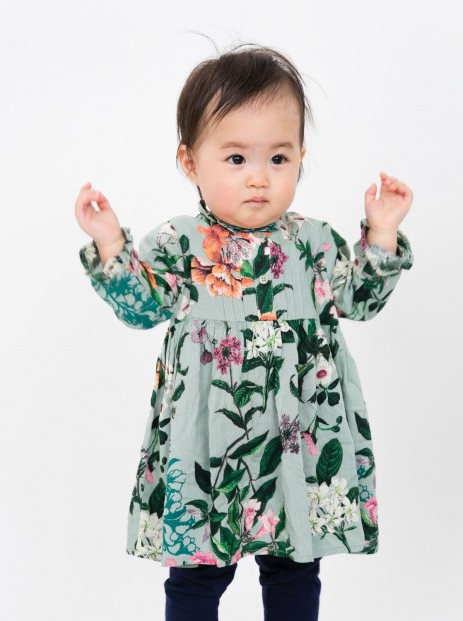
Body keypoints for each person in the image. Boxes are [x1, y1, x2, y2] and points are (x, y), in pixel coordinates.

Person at [75, 42, 414, 621]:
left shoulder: (312, 243)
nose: (259, 178)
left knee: (295, 567)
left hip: (296, 437)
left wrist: (381, 235)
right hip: (210, 443)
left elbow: (359, 301)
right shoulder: (180, 243)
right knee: (196, 573)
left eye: (278, 158)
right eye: (236, 159)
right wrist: (111, 245)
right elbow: (141, 308)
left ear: (300, 157)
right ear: (190, 163)